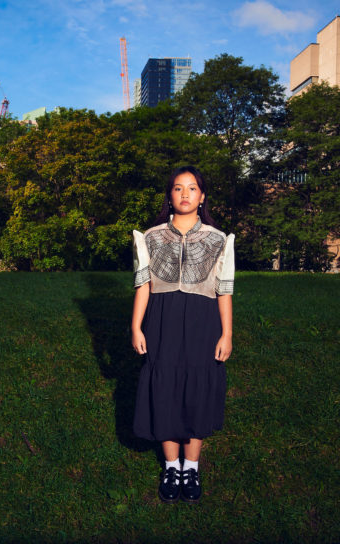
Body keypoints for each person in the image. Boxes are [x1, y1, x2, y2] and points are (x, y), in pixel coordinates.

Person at [130, 165, 234, 504]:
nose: (185, 194)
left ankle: (192, 466)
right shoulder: (150, 237)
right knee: (165, 389)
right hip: (162, 320)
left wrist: (226, 334)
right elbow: (143, 286)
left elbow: (224, 291)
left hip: (204, 323)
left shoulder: (220, 241)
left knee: (197, 390)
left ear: (202, 197)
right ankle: (171, 466)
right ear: (170, 195)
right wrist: (136, 326)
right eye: (178, 188)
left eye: (192, 188)